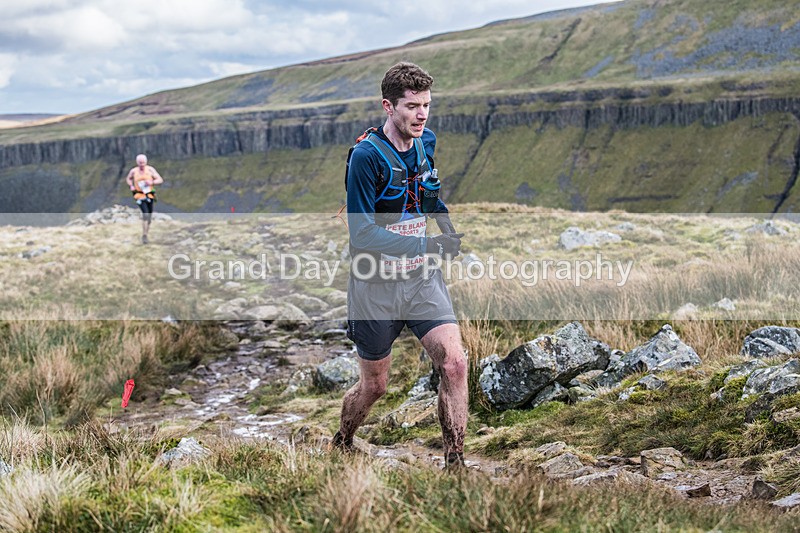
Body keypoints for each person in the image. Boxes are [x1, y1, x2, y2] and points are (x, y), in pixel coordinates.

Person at [335, 62, 468, 469]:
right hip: (375, 287)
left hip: (421, 280)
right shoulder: (366, 157)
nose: (421, 114)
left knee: (455, 364)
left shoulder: (426, 141)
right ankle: (343, 440)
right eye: (412, 106)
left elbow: (430, 196)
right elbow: (361, 235)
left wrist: (446, 230)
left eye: (426, 105)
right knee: (375, 386)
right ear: (388, 107)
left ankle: (456, 464)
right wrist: (427, 243)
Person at [125, 154, 164, 244]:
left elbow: (160, 179)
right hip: (139, 196)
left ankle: (146, 231)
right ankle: (144, 236)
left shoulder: (150, 170)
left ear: (146, 162)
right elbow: (128, 179)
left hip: (149, 195)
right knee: (145, 213)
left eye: (143, 163)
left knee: (149, 215)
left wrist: (151, 182)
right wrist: (131, 185)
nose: (141, 164)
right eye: (140, 163)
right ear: (137, 162)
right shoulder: (133, 171)